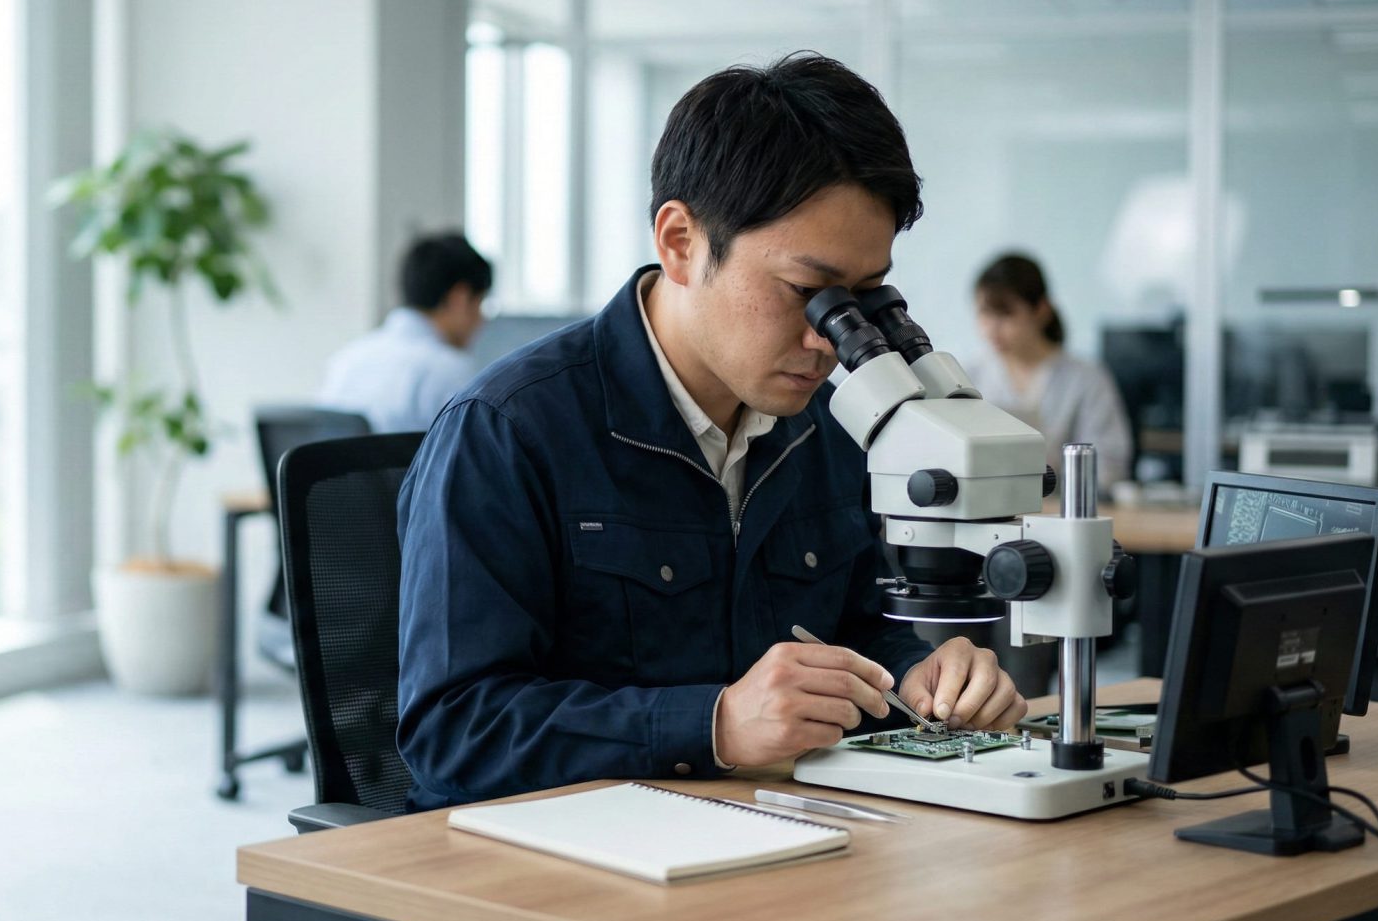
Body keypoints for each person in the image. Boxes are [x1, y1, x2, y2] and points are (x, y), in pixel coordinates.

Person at [395, 53, 1027, 811]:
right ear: (681, 242)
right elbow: (452, 731)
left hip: (766, 835)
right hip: (565, 870)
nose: (832, 340)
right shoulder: (506, 433)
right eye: (807, 292)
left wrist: (921, 678)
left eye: (862, 299)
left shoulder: (821, 430)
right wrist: (715, 725)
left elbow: (853, 627)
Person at [968, 253, 1134, 485]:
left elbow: (1109, 464)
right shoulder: (968, 376)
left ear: (1041, 311)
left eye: (1006, 314)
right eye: (984, 313)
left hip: (1062, 508)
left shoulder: (1086, 377)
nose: (992, 328)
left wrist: (1052, 479)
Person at [319, 234, 491, 433]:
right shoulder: (450, 371)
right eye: (481, 303)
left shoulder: (345, 360)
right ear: (459, 298)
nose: (482, 320)